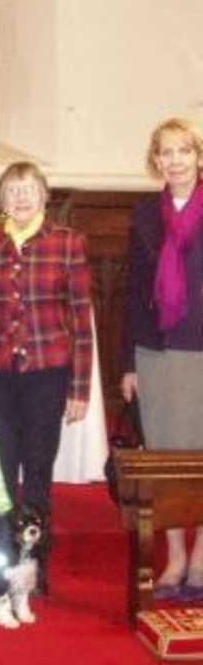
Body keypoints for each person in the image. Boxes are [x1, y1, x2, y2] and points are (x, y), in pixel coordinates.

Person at [0, 161, 92, 593]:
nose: (20, 198)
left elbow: (80, 321)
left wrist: (79, 388)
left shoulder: (68, 244)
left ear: (44, 195)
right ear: (1, 199)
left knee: (36, 471)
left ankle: (33, 569)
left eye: (29, 189)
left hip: (46, 375)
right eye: (12, 190)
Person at [121, 117, 203, 597]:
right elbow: (132, 292)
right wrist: (129, 363)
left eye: (183, 151)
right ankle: (173, 555)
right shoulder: (144, 215)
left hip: (202, 348)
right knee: (164, 458)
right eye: (165, 152)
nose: (174, 160)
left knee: (200, 456)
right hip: (157, 350)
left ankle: (201, 556)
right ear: (155, 161)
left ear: (199, 156)